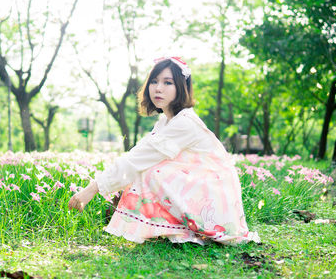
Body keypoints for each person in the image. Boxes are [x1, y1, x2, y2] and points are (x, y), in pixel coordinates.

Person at [69, 56, 260, 245]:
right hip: (203, 190)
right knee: (148, 168)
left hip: (215, 201)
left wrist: (92, 190)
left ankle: (175, 228)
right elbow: (139, 155)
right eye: (154, 81)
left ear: (181, 87)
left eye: (167, 82)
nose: (158, 88)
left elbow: (137, 160)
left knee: (151, 171)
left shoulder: (184, 123)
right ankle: (166, 227)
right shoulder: (167, 121)